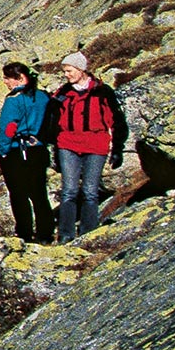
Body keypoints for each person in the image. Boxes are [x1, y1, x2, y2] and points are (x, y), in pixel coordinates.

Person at [42, 50, 127, 241]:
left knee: (90, 191)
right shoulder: (62, 93)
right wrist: (49, 146)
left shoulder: (103, 92)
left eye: (69, 71)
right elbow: (51, 121)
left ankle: (88, 235)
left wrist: (118, 149)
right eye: (64, 71)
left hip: (96, 146)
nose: (66, 75)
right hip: (68, 145)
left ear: (81, 70)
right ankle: (66, 235)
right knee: (69, 191)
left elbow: (118, 122)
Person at [0, 62, 54, 243]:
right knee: (39, 193)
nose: (5, 82)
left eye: (7, 78)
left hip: (17, 151)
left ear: (20, 78)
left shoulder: (13, 99)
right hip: (39, 149)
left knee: (19, 194)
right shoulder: (42, 96)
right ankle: (45, 232)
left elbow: (9, 128)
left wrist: (3, 151)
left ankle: (25, 232)